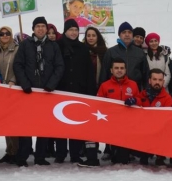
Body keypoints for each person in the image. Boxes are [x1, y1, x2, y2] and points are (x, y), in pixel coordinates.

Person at [13, 17, 65, 166]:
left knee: (43, 125)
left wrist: (51, 85)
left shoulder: (53, 46)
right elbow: (18, 65)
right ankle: (22, 157)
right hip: (28, 92)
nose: (41, 29)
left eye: (43, 26)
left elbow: (59, 66)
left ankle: (40, 157)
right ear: (33, 29)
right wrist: (25, 84)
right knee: (26, 126)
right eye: (38, 26)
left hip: (46, 92)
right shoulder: (25, 45)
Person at [57, 20, 97, 165]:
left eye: (76, 30)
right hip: (61, 90)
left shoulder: (83, 48)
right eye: (71, 30)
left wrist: (90, 91)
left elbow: (88, 71)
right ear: (65, 31)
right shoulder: (58, 46)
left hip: (79, 91)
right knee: (61, 124)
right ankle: (60, 153)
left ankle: (75, 154)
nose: (73, 32)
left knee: (75, 124)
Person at [97, 59, 140, 164]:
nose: (119, 70)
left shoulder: (133, 85)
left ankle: (128, 152)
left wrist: (135, 100)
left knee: (122, 160)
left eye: (122, 68)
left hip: (128, 124)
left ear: (125, 70)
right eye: (116, 68)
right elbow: (98, 103)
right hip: (111, 123)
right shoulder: (105, 85)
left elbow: (140, 100)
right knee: (116, 159)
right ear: (111, 70)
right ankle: (110, 150)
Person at [136, 69, 172, 165]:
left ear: (163, 82)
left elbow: (168, 118)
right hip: (144, 131)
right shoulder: (142, 94)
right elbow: (138, 102)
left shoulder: (167, 98)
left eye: (160, 80)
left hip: (159, 130)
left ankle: (160, 156)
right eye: (155, 79)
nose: (157, 82)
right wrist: (134, 101)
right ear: (149, 80)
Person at [0, 25, 20, 164]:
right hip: (1, 91)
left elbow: (20, 66)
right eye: (1, 33)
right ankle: (9, 150)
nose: (4, 36)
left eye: (7, 33)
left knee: (14, 121)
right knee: (5, 121)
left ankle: (16, 151)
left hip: (13, 88)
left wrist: (13, 80)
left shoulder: (16, 50)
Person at [101, 21, 149, 85]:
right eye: (124, 32)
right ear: (119, 35)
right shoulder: (111, 52)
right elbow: (104, 74)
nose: (127, 35)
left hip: (135, 90)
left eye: (129, 32)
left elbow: (146, 74)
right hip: (114, 90)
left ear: (132, 35)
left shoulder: (140, 52)